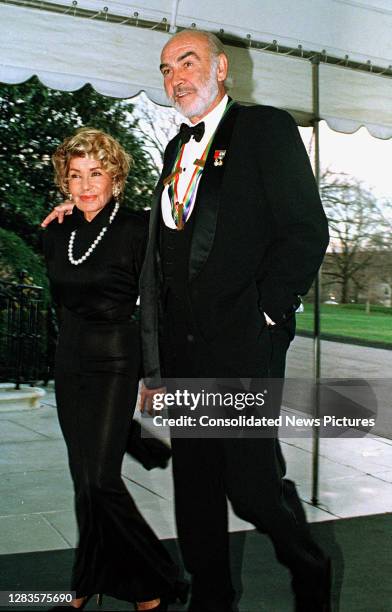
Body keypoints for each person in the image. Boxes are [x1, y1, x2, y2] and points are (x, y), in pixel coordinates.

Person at [42, 31, 330, 611]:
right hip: (182, 352)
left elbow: (305, 230)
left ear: (221, 68)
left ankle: (311, 568)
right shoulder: (176, 149)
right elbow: (167, 236)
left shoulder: (265, 128)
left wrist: (269, 312)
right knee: (194, 491)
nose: (176, 76)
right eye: (167, 67)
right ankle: (211, 600)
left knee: (250, 491)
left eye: (188, 61)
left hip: (243, 347)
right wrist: (84, 205)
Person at [42, 128, 185, 611]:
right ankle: (87, 579)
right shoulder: (56, 228)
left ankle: (156, 580)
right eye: (76, 175)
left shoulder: (138, 227)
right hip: (71, 358)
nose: (85, 185)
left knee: (101, 478)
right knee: (82, 476)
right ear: (65, 179)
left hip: (117, 357)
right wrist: (68, 216)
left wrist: (155, 374)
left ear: (115, 176)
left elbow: (157, 306)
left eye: (96, 173)